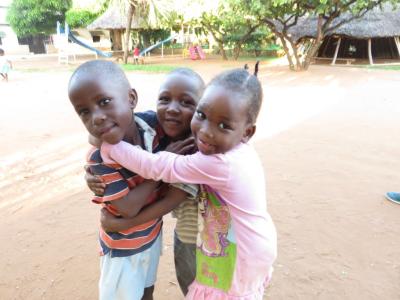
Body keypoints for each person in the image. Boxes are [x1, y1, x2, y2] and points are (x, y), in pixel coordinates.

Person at [99, 64, 278, 299]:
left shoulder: (219, 163)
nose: (205, 131)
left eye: (223, 126)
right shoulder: (235, 149)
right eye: (202, 116)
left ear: (247, 132)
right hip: (247, 241)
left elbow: (157, 167)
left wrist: (108, 144)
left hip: (241, 250)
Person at [68, 60, 196, 300]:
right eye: (84, 112)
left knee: (147, 290)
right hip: (122, 249)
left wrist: (162, 162)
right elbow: (127, 208)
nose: (96, 117)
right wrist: (163, 165)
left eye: (104, 102)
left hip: (151, 236)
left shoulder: (153, 126)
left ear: (131, 99)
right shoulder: (99, 159)